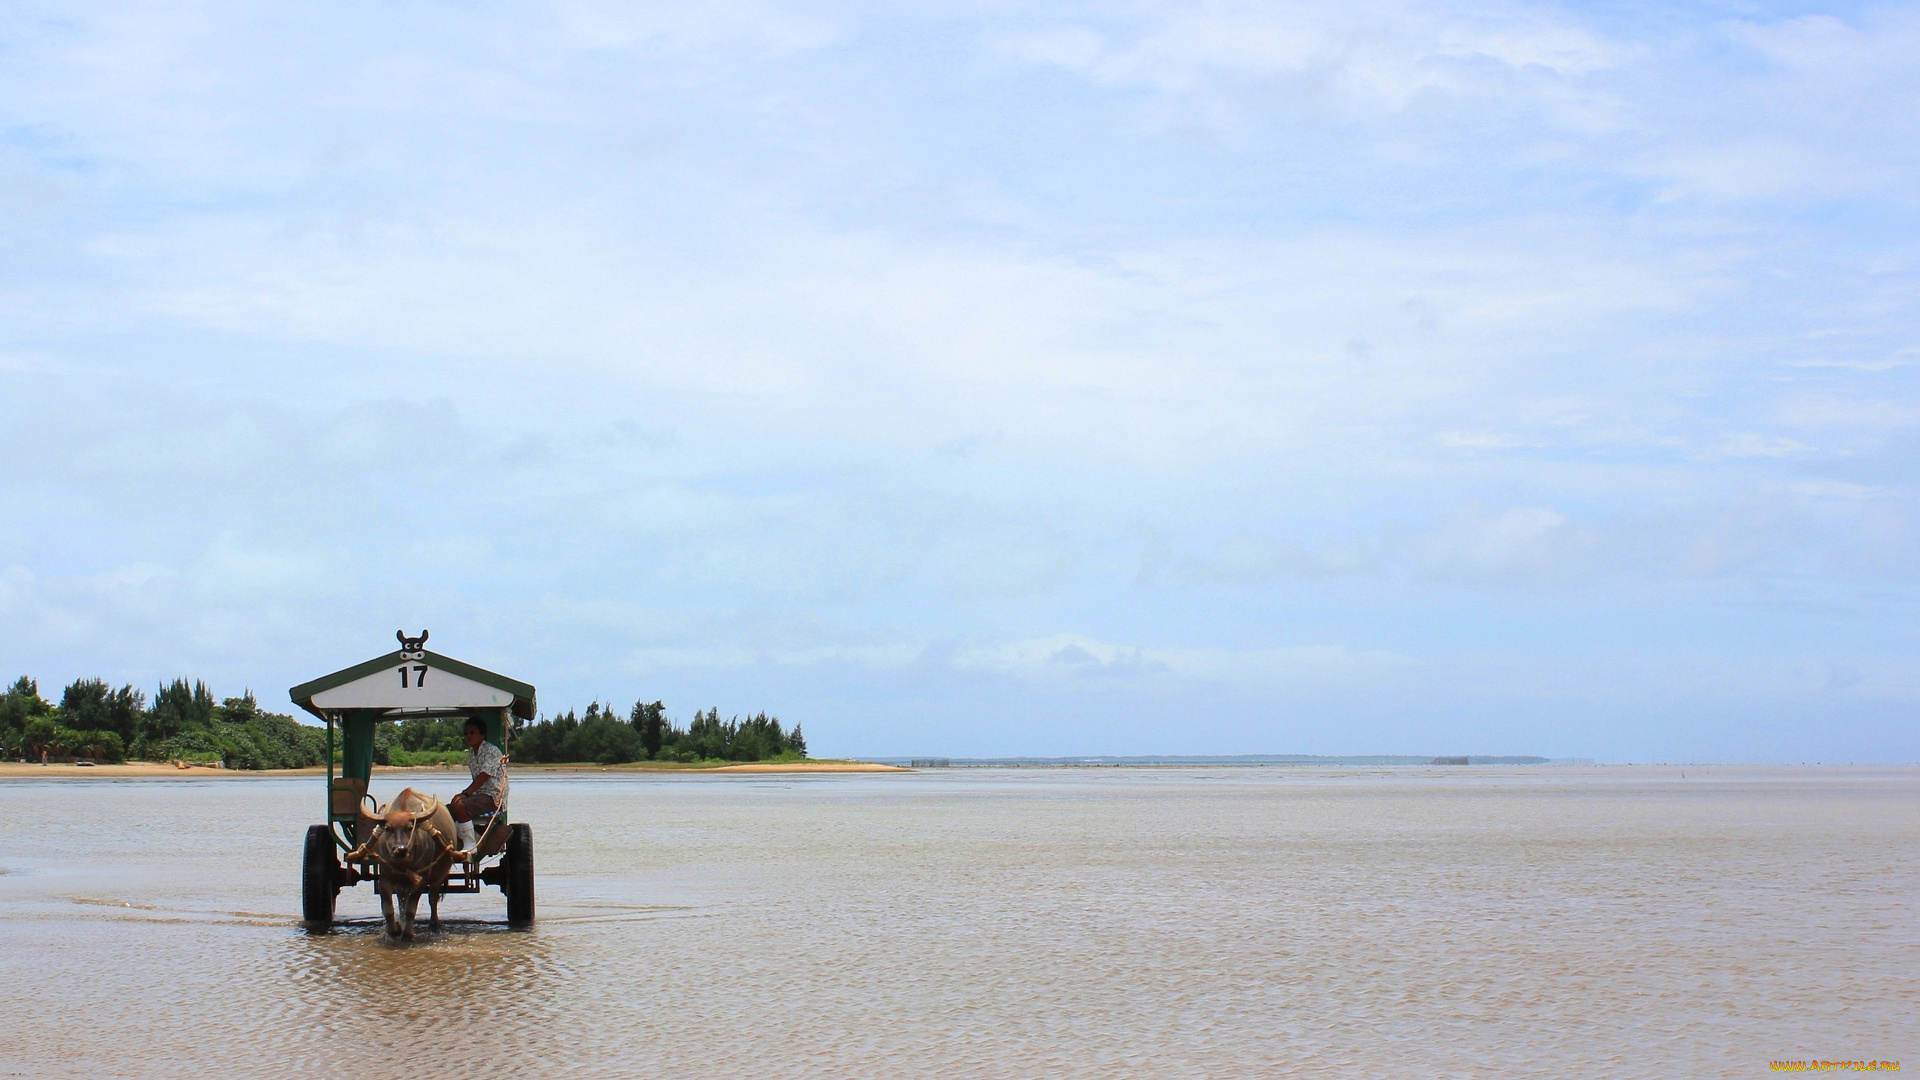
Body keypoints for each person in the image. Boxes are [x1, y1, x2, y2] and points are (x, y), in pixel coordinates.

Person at [449, 719, 504, 854]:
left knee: (460, 804)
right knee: (447, 811)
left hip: (493, 797)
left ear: (482, 734)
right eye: (466, 733)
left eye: (472, 732)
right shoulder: (471, 755)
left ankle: (470, 844)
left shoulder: (492, 751)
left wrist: (465, 793)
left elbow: (483, 776)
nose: (469, 736)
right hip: (478, 796)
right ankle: (472, 837)